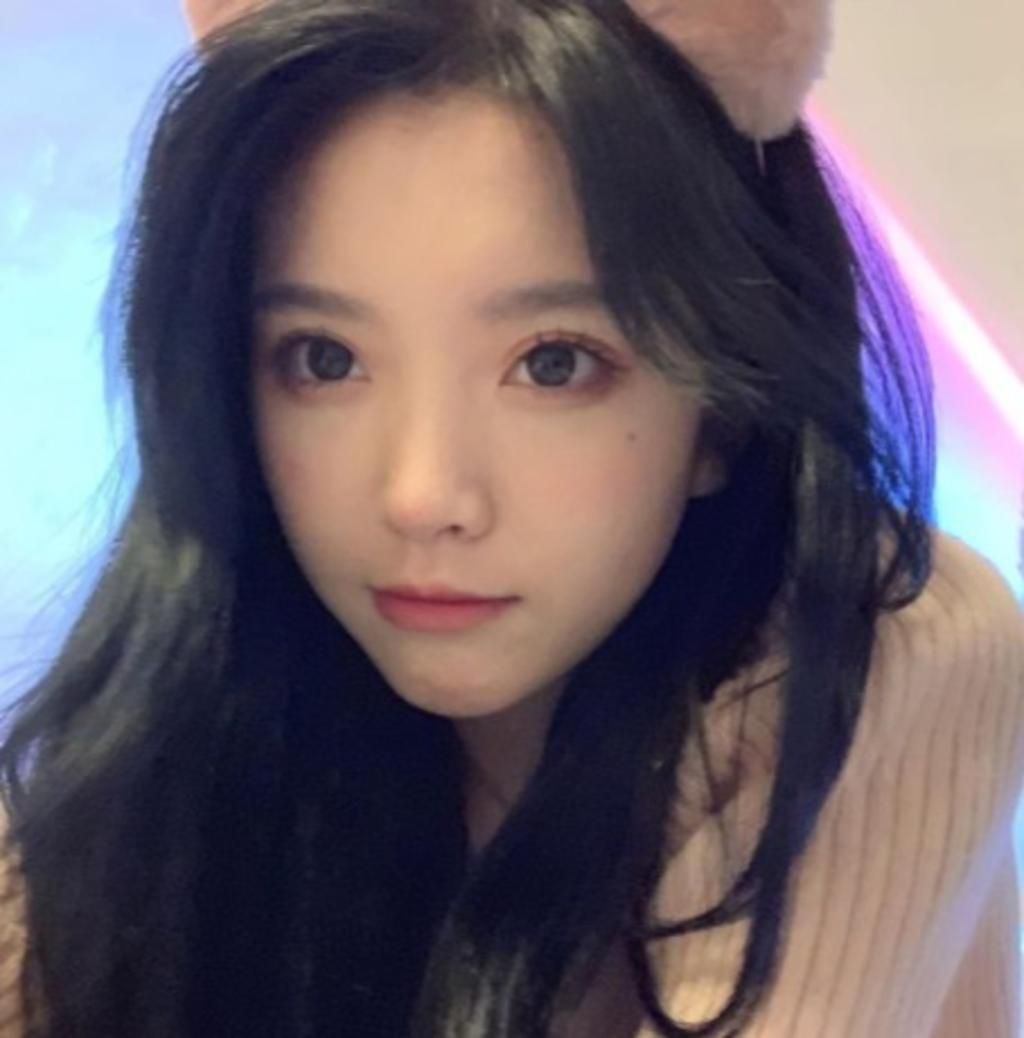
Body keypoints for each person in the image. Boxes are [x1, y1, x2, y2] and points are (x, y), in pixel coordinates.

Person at [1, 0, 1022, 1035]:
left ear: (722, 407)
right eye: (324, 358)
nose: (423, 496)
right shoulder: (185, 718)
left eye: (554, 363)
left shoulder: (887, 644)